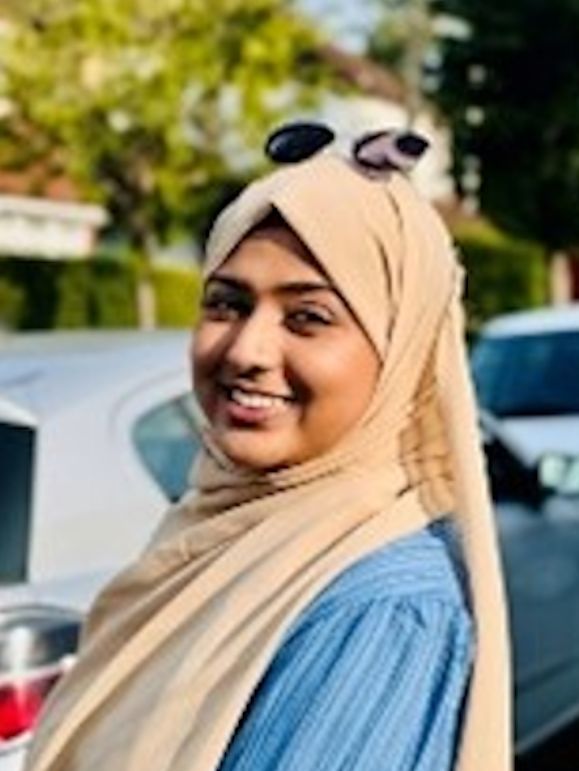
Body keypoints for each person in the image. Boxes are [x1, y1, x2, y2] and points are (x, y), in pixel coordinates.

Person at [24, 124, 512, 771]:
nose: (246, 351)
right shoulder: (219, 535)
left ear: (402, 352)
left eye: (308, 317)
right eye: (226, 304)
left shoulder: (382, 611)